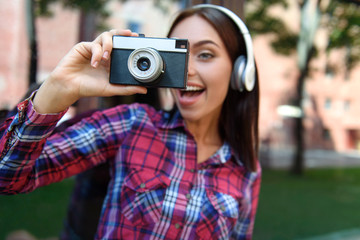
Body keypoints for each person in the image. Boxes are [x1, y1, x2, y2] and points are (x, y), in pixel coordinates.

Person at [0, 4, 261, 239]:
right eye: (178, 55)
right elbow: (6, 176)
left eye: (205, 55)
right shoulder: (132, 124)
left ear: (240, 72)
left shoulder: (246, 169)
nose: (186, 70)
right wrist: (58, 89)